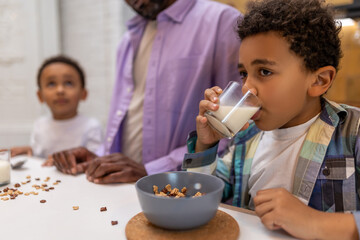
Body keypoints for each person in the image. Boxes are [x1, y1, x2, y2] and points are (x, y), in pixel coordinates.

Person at [183, 0, 360, 239]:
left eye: (264, 72)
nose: (248, 88)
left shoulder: (354, 132)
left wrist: (315, 222)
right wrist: (206, 145)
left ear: (319, 81)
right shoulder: (245, 139)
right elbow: (196, 202)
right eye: (244, 73)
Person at [48, 0, 241, 183]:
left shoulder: (223, 22)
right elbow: (131, 112)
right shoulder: (129, 39)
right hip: (123, 187)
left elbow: (235, 126)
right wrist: (99, 157)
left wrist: (153, 170)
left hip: (184, 194)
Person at [11, 56, 103, 159]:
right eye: (51, 84)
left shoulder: (91, 126)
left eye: (68, 83)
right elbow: (38, 155)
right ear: (40, 96)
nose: (60, 90)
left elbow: (96, 161)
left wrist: (66, 161)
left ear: (83, 94)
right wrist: (29, 151)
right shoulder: (40, 124)